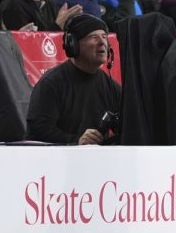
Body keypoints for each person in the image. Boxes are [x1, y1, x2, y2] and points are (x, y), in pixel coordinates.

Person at [26, 14, 121, 144]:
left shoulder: (111, 86)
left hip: (98, 159)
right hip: (58, 160)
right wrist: (76, 141)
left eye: (104, 37)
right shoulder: (52, 83)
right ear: (73, 45)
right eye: (94, 37)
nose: (102, 42)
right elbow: (37, 130)